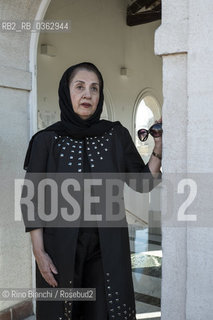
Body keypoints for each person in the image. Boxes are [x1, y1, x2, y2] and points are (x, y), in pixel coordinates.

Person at [21, 62, 162, 320]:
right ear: (67, 92)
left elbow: (144, 183)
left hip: (106, 250)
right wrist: (38, 252)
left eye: (94, 88)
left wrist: (158, 149)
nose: (88, 94)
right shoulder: (46, 140)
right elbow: (31, 200)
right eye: (80, 87)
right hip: (59, 249)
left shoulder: (115, 135)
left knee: (105, 311)